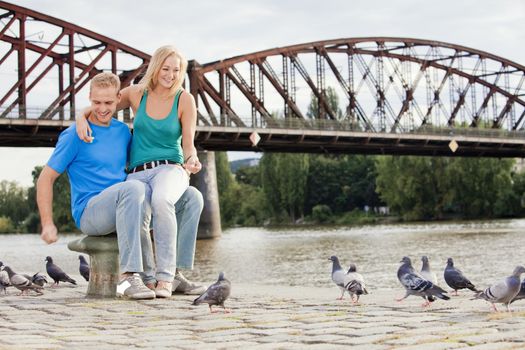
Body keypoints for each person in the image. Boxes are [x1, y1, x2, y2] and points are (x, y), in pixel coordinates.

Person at [75, 45, 204, 298]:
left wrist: (192, 160)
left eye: (176, 70)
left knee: (162, 199)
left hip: (170, 168)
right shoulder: (137, 94)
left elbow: (188, 145)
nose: (170, 75)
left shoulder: (184, 99)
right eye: (166, 69)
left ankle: (167, 277)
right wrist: (81, 117)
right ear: (156, 68)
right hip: (137, 171)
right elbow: (105, 105)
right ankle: (145, 277)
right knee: (140, 210)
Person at [37, 72, 155, 300]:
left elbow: (140, 165)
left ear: (118, 98)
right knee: (134, 189)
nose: (102, 108)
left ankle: (159, 278)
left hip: (123, 209)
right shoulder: (75, 135)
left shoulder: (122, 132)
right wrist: (47, 223)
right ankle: (128, 276)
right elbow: (45, 178)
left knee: (183, 196)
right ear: (89, 99)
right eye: (97, 103)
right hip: (90, 213)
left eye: (109, 102)